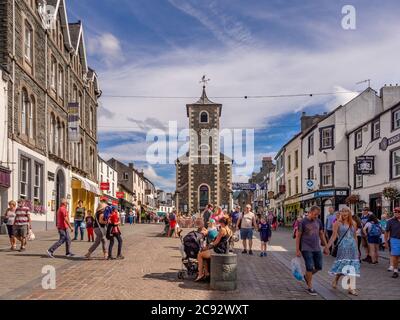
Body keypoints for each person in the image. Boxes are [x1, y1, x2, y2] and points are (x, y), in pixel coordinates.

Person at [325, 207, 360, 296]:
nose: (344, 213)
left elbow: (355, 236)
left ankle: (351, 288)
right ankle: (336, 279)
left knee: (352, 267)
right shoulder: (337, 223)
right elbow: (333, 236)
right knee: (343, 266)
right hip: (343, 247)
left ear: (349, 213)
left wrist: (357, 249)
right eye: (343, 211)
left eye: (346, 212)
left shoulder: (353, 223)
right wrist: (327, 247)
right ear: (341, 213)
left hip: (352, 247)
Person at [296, 206, 328, 296]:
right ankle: (310, 287)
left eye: (318, 215)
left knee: (319, 266)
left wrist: (326, 246)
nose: (316, 216)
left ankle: (306, 276)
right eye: (315, 214)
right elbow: (298, 236)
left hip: (316, 247)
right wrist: (297, 250)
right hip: (306, 248)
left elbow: (321, 234)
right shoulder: (303, 222)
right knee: (309, 267)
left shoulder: (318, 221)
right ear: (310, 212)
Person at [195, 218, 232, 282]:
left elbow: (215, 243)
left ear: (222, 223)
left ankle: (200, 274)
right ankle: (207, 273)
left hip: (218, 250)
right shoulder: (229, 230)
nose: (219, 224)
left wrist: (207, 247)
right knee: (204, 255)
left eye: (220, 223)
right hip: (224, 249)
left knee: (200, 254)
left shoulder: (222, 229)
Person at [385, 208, 400, 278]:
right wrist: (385, 242)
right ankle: (395, 271)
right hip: (395, 240)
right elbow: (386, 232)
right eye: (395, 212)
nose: (396, 213)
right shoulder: (390, 221)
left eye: (398, 212)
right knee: (395, 256)